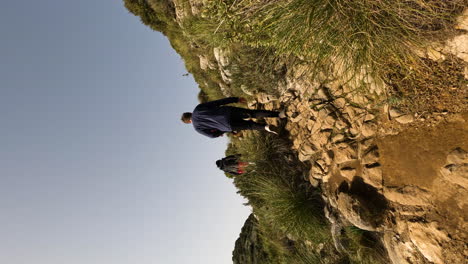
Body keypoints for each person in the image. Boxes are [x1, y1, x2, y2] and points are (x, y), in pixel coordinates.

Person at [181, 97, 285, 138]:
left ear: (189, 121)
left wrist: (221, 131)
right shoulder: (198, 108)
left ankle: (266, 128)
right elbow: (217, 102)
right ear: (190, 113)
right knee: (252, 113)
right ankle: (279, 115)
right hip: (228, 112)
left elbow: (212, 136)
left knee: (249, 126)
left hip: (227, 126)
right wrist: (235, 99)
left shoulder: (197, 128)